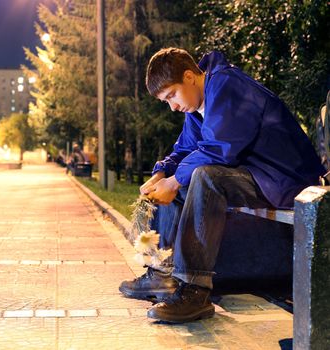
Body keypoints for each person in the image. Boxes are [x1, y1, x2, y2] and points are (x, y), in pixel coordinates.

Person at [119, 48, 327, 323]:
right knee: (179, 181)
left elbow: (220, 149)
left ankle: (194, 290)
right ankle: (162, 274)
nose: (173, 106)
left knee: (205, 177)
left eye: (171, 95)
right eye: (165, 101)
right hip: (257, 175)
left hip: (285, 179)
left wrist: (175, 180)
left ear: (190, 77)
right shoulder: (197, 106)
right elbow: (184, 150)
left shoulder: (229, 86)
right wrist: (161, 174)